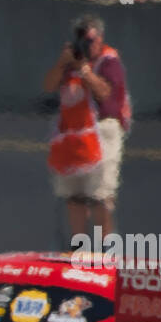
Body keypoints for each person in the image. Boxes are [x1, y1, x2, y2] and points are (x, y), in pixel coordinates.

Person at [43, 15, 132, 248]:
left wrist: (84, 70)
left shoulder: (108, 62)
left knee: (100, 196)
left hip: (103, 131)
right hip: (74, 133)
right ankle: (78, 247)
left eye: (91, 40)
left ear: (100, 39)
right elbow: (49, 86)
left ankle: (107, 248)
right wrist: (63, 63)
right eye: (83, 40)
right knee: (74, 196)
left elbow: (104, 93)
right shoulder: (70, 61)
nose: (87, 45)